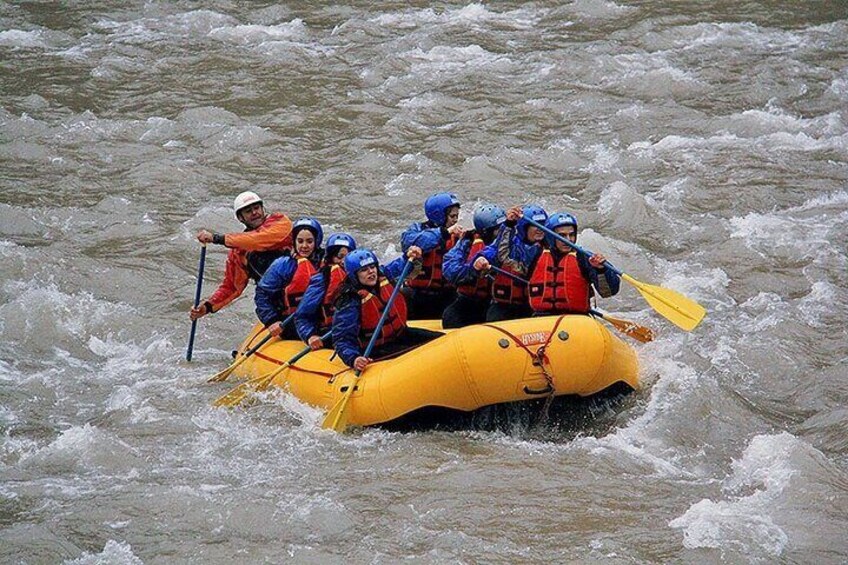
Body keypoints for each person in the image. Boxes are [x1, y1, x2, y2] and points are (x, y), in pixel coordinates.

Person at [332, 247, 443, 372]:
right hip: (375, 348)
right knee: (415, 356)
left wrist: (408, 256)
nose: (371, 272)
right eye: (364, 270)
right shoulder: (349, 301)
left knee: (442, 341)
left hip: (401, 335)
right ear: (354, 275)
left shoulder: (381, 275)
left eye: (372, 267)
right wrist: (353, 358)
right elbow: (342, 339)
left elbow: (397, 266)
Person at [189, 191, 293, 321]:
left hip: (302, 287)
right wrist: (208, 306)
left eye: (256, 208)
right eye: (248, 211)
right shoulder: (239, 251)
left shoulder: (280, 221)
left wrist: (217, 238)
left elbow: (259, 239)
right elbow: (232, 286)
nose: (255, 213)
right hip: (278, 300)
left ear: (262, 208)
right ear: (241, 218)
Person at [526, 212, 620, 315]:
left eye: (571, 235)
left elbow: (608, 292)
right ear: (550, 236)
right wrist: (509, 225)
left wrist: (601, 270)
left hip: (575, 319)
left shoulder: (584, 258)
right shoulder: (535, 254)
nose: (568, 239)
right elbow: (507, 259)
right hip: (541, 319)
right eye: (562, 235)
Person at [254, 218, 324, 340]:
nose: (304, 246)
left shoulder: (325, 264)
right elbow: (262, 294)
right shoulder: (282, 265)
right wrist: (271, 320)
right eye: (300, 241)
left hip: (320, 322)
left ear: (316, 242)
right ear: (294, 241)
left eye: (309, 241)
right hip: (290, 323)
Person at [400, 192, 464, 320]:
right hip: (417, 294)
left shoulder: (458, 236)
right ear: (439, 215)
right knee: (402, 296)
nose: (455, 220)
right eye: (452, 216)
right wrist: (444, 232)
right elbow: (414, 242)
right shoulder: (415, 231)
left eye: (457, 216)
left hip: (446, 294)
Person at [441, 203, 506, 328]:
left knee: (495, 317)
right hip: (469, 301)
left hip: (496, 302)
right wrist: (473, 269)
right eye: (498, 230)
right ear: (486, 231)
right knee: (450, 316)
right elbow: (450, 270)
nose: (502, 233)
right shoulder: (466, 243)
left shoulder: (510, 243)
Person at [294, 232, 357, 350]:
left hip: (355, 331)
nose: (344, 261)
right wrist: (310, 335)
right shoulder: (322, 280)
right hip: (330, 333)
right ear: (331, 258)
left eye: (348, 256)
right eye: (340, 256)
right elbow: (302, 316)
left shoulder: (360, 276)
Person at [485, 204, 549, 322]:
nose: (540, 229)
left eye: (542, 225)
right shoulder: (511, 246)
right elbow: (501, 254)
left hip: (531, 307)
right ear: (524, 228)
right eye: (535, 226)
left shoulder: (551, 249)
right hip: (505, 307)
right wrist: (509, 224)